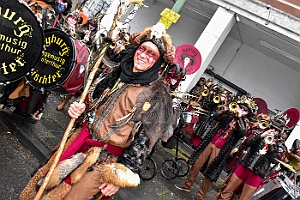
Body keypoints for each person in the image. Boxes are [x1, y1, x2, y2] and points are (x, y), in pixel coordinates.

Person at [20, 23, 175, 200]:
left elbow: (145, 140)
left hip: (104, 159)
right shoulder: (119, 72)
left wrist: (118, 177)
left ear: (159, 62)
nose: (143, 55)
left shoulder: (157, 93)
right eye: (142, 49)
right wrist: (80, 109)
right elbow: (93, 102)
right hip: (80, 140)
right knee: (44, 183)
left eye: (151, 54)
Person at [175, 97, 257, 200]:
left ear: (247, 113)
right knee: (197, 164)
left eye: (245, 110)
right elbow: (215, 117)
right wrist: (227, 111)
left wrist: (239, 118)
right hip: (210, 142)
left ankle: (201, 196)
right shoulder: (229, 114)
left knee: (210, 174)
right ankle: (187, 185)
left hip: (221, 150)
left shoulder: (244, 123)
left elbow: (242, 133)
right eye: (241, 107)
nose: (241, 110)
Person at [216, 128, 279, 200]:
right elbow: (248, 142)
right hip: (244, 166)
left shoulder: (279, 145)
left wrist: (271, 146)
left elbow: (274, 161)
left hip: (257, 174)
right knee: (228, 189)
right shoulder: (260, 134)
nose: (273, 131)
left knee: (245, 198)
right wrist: (261, 136)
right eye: (272, 128)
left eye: (276, 130)